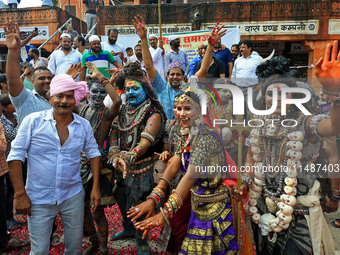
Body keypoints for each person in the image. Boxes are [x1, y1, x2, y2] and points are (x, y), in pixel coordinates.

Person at [237, 43, 340, 255]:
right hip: (264, 210)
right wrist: (245, 184)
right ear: (263, 99)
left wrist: (333, 90)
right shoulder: (259, 124)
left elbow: (334, 127)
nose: (277, 100)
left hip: (299, 212)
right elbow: (250, 160)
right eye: (270, 95)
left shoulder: (306, 122)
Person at [8, 73, 102, 255]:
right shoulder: (33, 122)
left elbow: (94, 154)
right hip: (38, 198)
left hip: (72, 195)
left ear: (75, 100)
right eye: (59, 96)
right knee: (39, 250)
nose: (64, 101)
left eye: (69, 96)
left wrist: (95, 188)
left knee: (74, 248)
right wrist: (20, 194)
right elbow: (15, 157)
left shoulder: (83, 125)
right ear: (50, 99)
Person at [107, 62, 166, 255]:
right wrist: (116, 156)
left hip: (144, 168)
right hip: (123, 168)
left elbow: (145, 142)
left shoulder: (153, 113)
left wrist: (127, 156)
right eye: (127, 89)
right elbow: (114, 135)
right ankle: (129, 227)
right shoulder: (123, 110)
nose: (130, 92)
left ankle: (142, 239)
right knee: (119, 194)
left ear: (146, 90)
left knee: (140, 203)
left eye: (135, 88)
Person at [79, 62, 121, 255]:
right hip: (77, 165)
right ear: (88, 91)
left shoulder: (105, 114)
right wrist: (71, 79)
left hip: (95, 165)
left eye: (101, 93)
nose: (97, 96)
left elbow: (118, 102)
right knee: (82, 210)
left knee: (97, 211)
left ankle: (104, 248)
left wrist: (102, 79)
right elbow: (53, 98)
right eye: (93, 92)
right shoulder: (80, 109)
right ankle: (94, 242)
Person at [134, 17, 211, 120]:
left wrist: (210, 45)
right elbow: (148, 66)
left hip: (184, 130)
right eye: (172, 74)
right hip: (163, 131)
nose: (175, 77)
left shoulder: (188, 88)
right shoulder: (161, 87)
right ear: (167, 75)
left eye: (178, 74)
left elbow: (203, 70)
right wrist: (144, 39)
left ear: (183, 76)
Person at [231, 39, 260, 121]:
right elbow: (234, 74)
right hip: (239, 88)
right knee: (238, 110)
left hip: (252, 88)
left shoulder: (258, 59)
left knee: (251, 109)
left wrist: (260, 84)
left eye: (243, 47)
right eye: (240, 47)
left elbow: (263, 72)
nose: (241, 49)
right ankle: (239, 129)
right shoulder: (237, 60)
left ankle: (251, 129)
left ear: (249, 48)